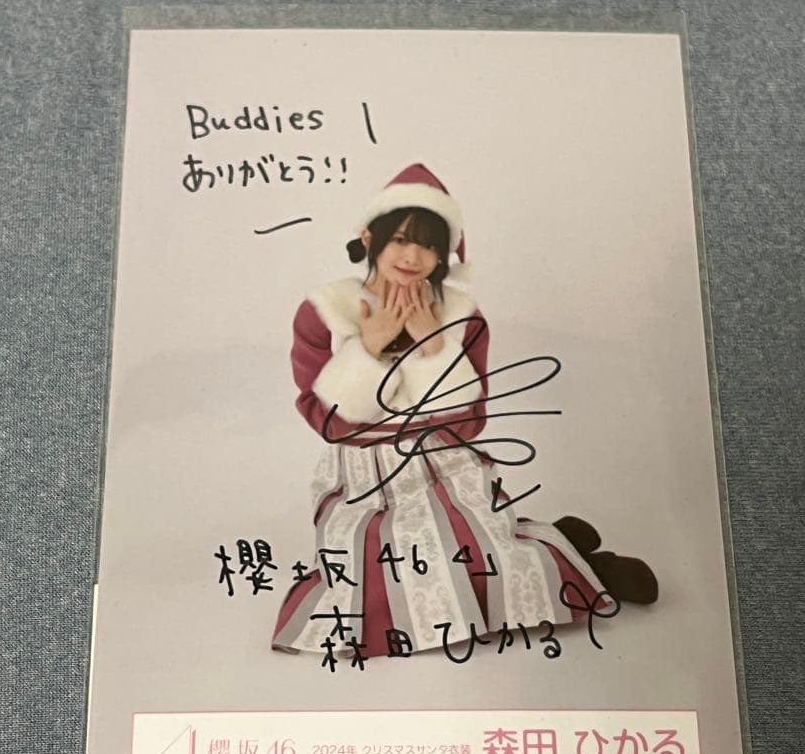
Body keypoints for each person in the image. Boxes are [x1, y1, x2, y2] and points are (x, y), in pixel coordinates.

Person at [272, 163, 657, 659]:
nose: (412, 257)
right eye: (400, 239)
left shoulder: (461, 316)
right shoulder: (326, 310)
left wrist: (435, 349)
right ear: (369, 237)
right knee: (378, 564)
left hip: (443, 464)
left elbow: (471, 423)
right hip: (361, 475)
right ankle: (558, 542)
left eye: (429, 245)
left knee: (477, 553)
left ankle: (583, 564)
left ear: (445, 253)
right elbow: (324, 421)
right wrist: (368, 349)